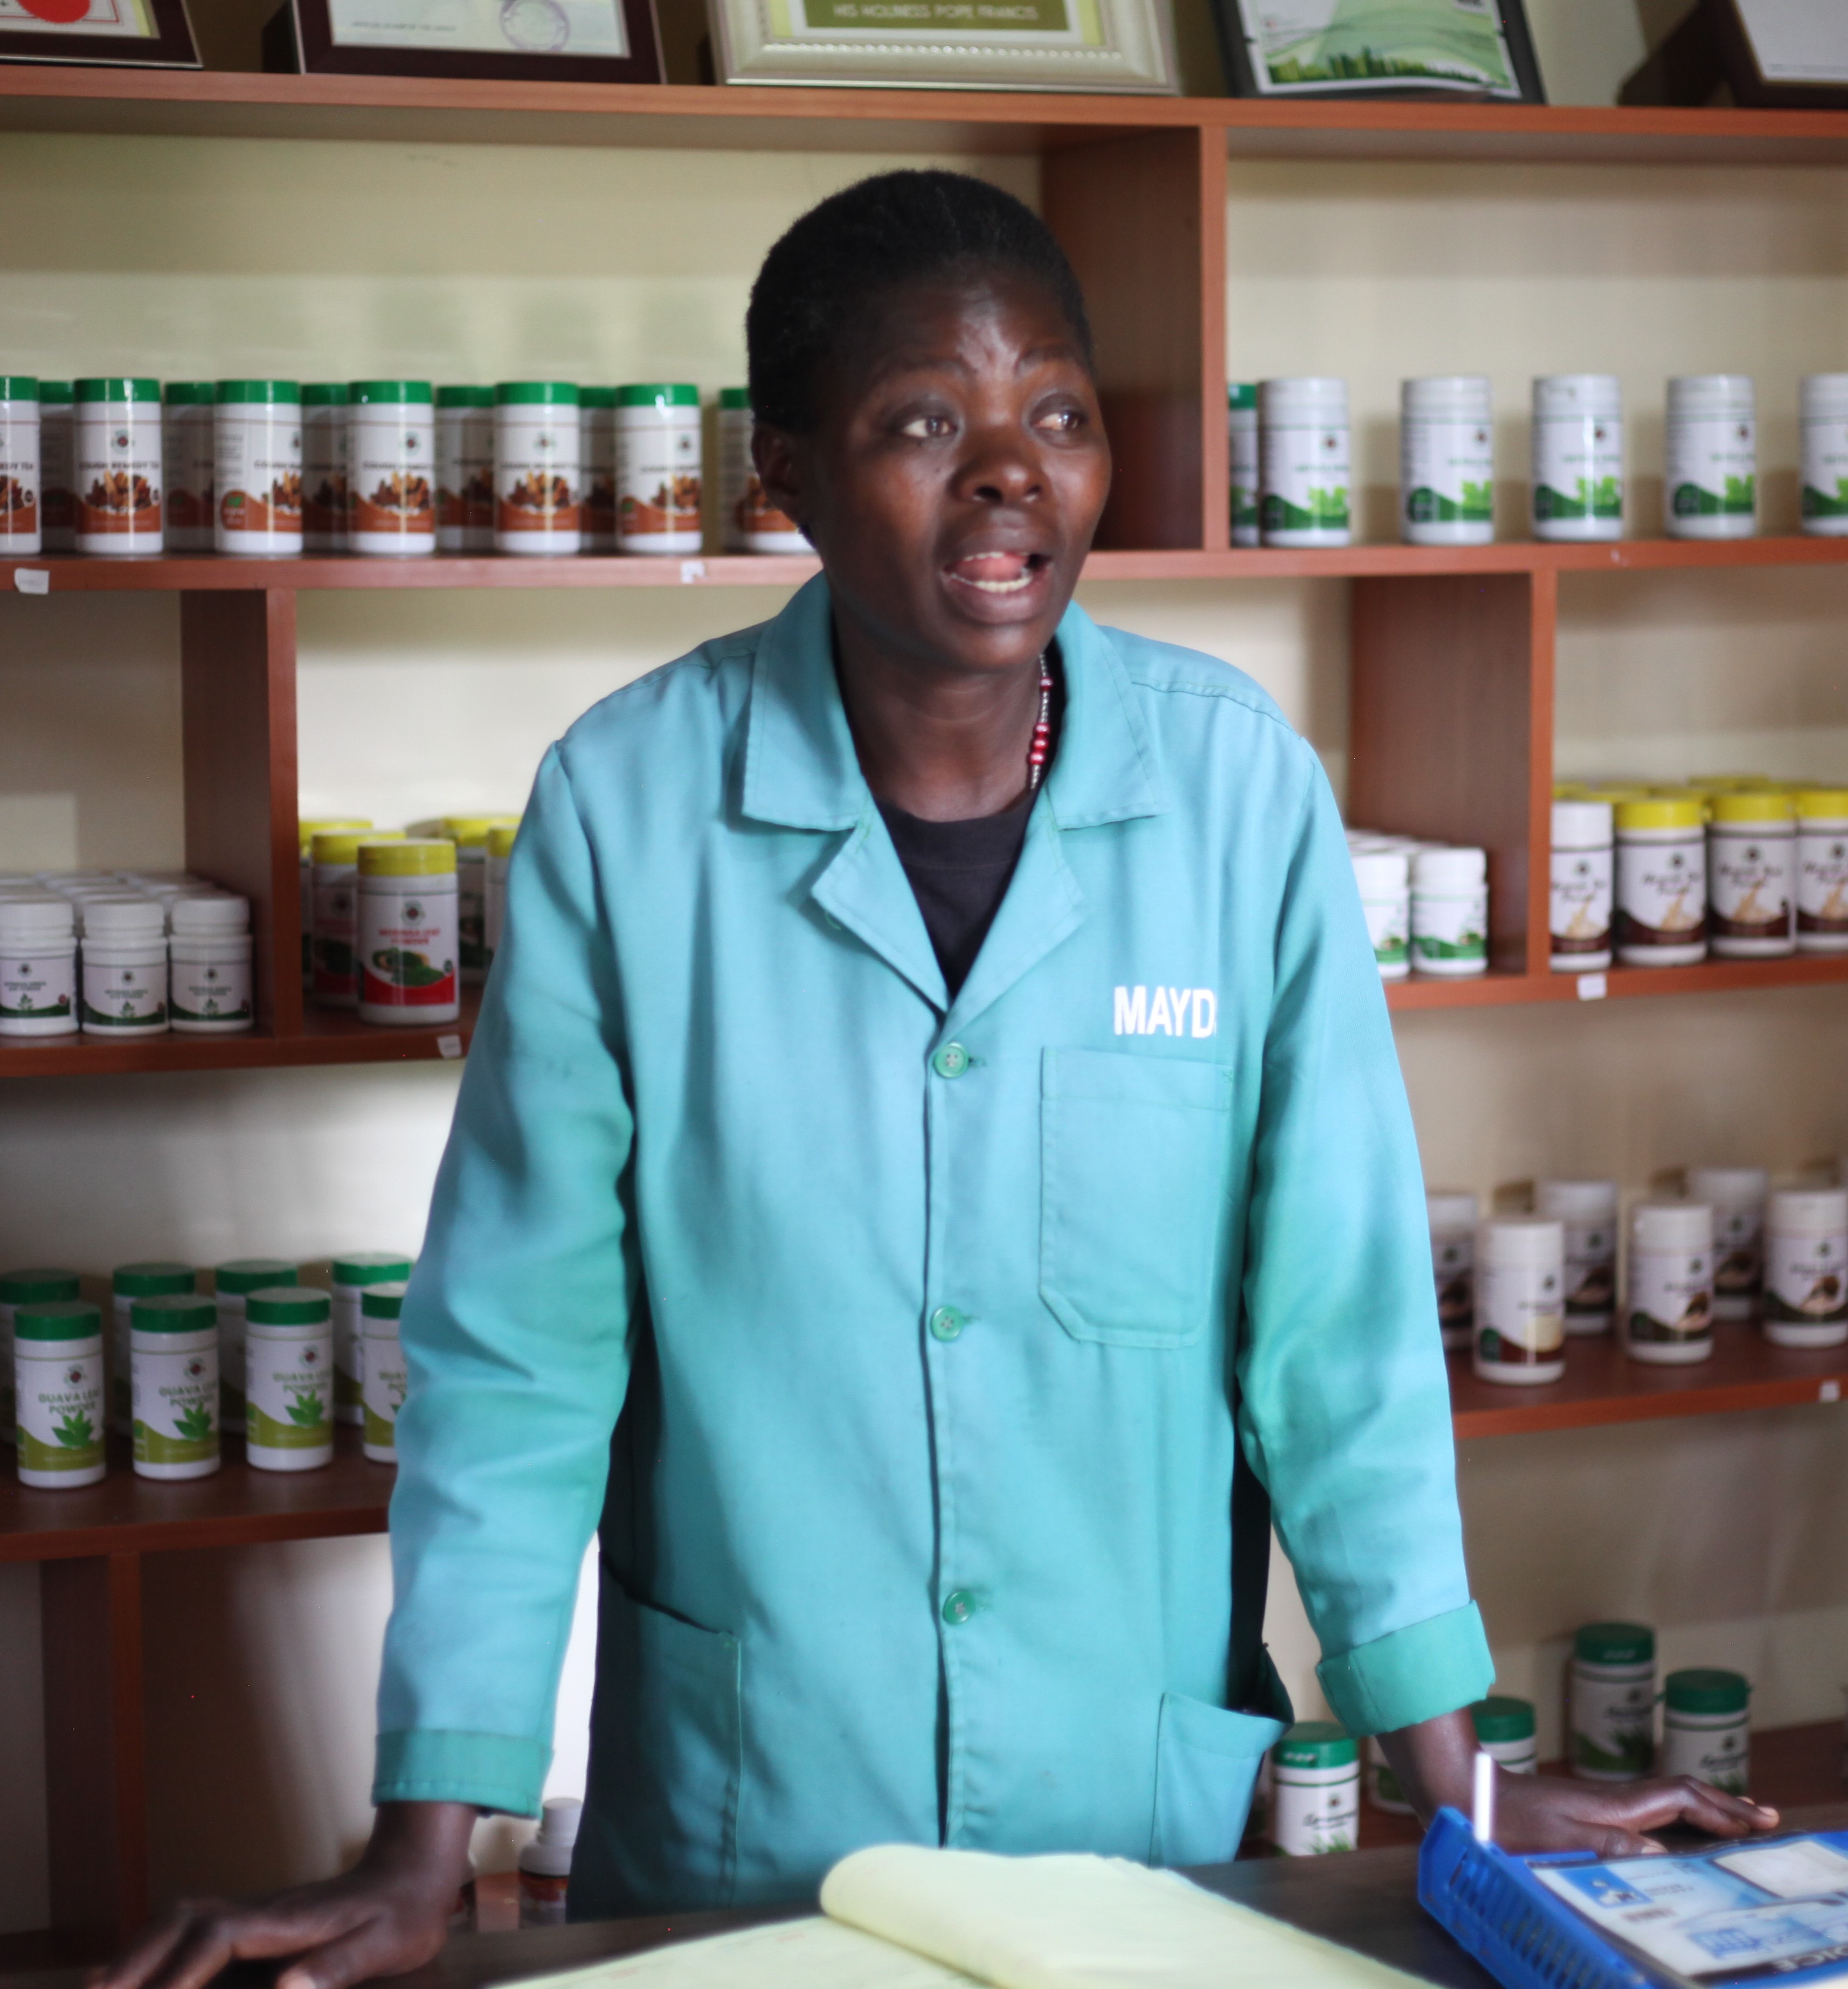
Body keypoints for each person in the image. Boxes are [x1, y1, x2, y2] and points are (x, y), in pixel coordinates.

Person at [105, 169, 1774, 1989]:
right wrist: (424, 1843)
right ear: (786, 472)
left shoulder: (1241, 803)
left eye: (1057, 414)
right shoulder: (628, 811)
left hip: (1139, 1850)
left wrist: (1461, 1784)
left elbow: (1340, 1335)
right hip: (749, 1848)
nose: (1008, 474)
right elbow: (521, 1360)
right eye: (923, 423)